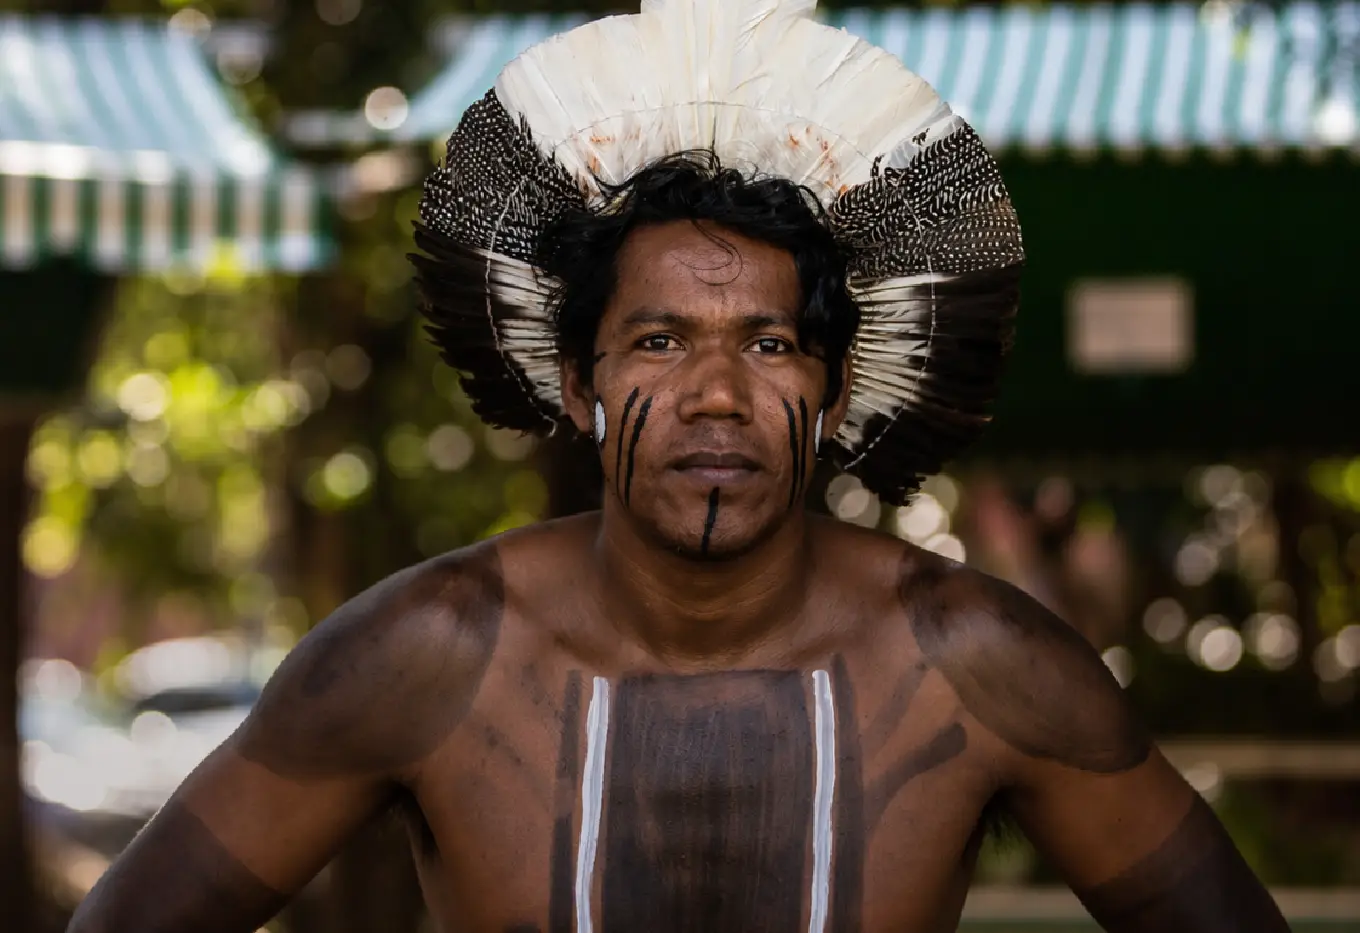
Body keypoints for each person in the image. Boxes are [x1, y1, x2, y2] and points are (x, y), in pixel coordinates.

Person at [68, 2, 1290, 931]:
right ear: (577, 385)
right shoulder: (427, 655)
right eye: (659, 341)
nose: (715, 395)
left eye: (770, 344)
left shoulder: (978, 667)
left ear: (837, 390)